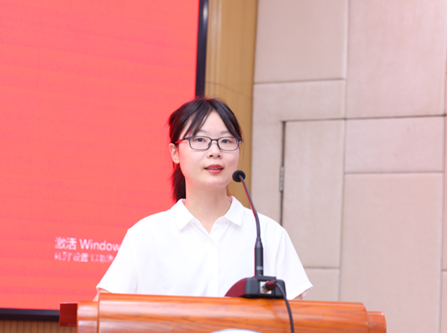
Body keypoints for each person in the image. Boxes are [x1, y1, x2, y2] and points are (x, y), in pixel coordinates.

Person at [95, 97, 311, 299]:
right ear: (175, 153)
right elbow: (101, 313)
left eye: (226, 141)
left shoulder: (269, 234)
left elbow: (297, 319)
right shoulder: (146, 235)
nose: (215, 151)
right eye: (200, 139)